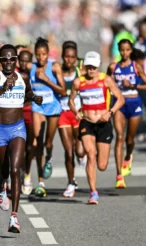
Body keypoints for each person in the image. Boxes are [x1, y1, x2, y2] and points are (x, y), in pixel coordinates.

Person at [0, 44, 42, 233]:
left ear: (16, 60)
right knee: (5, 169)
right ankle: (1, 185)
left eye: (12, 59)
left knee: (16, 169)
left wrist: (34, 98)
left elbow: (26, 94)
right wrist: (2, 89)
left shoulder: (23, 77)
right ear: (0, 61)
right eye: (4, 59)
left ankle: (14, 218)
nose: (8, 62)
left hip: (18, 128)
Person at [69, 51, 125, 204]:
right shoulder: (78, 82)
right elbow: (71, 100)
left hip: (103, 123)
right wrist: (76, 112)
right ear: (85, 66)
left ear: (98, 66)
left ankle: (96, 174)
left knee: (102, 165)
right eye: (88, 67)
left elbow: (120, 99)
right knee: (90, 154)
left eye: (93, 67)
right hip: (87, 122)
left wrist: (110, 112)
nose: (91, 70)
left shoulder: (106, 80)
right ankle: (93, 192)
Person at [107, 39, 146, 188]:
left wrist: (133, 84)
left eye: (127, 50)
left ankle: (128, 157)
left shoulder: (135, 66)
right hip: (120, 104)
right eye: (122, 50)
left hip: (134, 103)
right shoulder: (113, 67)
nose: (125, 53)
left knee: (129, 139)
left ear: (131, 50)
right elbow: (106, 83)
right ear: (119, 51)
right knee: (119, 137)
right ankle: (119, 176)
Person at [28, 38, 66, 197]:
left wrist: (46, 79)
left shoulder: (55, 67)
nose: (41, 58)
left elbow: (63, 91)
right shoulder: (32, 67)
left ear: (48, 54)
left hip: (53, 108)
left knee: (49, 142)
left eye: (43, 54)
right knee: (37, 141)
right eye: (38, 55)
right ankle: (41, 182)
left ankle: (49, 158)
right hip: (38, 107)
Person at [58, 42, 86, 198]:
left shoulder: (80, 72)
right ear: (63, 57)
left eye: (72, 57)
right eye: (67, 57)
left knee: (79, 151)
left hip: (78, 113)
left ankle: (82, 156)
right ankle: (71, 182)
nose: (69, 60)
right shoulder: (58, 71)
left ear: (76, 59)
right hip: (63, 113)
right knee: (68, 152)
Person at [18, 50, 35, 195]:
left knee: (29, 147)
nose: (23, 64)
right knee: (17, 145)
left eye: (26, 61)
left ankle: (27, 174)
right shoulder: (13, 74)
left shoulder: (34, 73)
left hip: (30, 111)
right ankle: (17, 174)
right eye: (21, 60)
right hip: (16, 111)